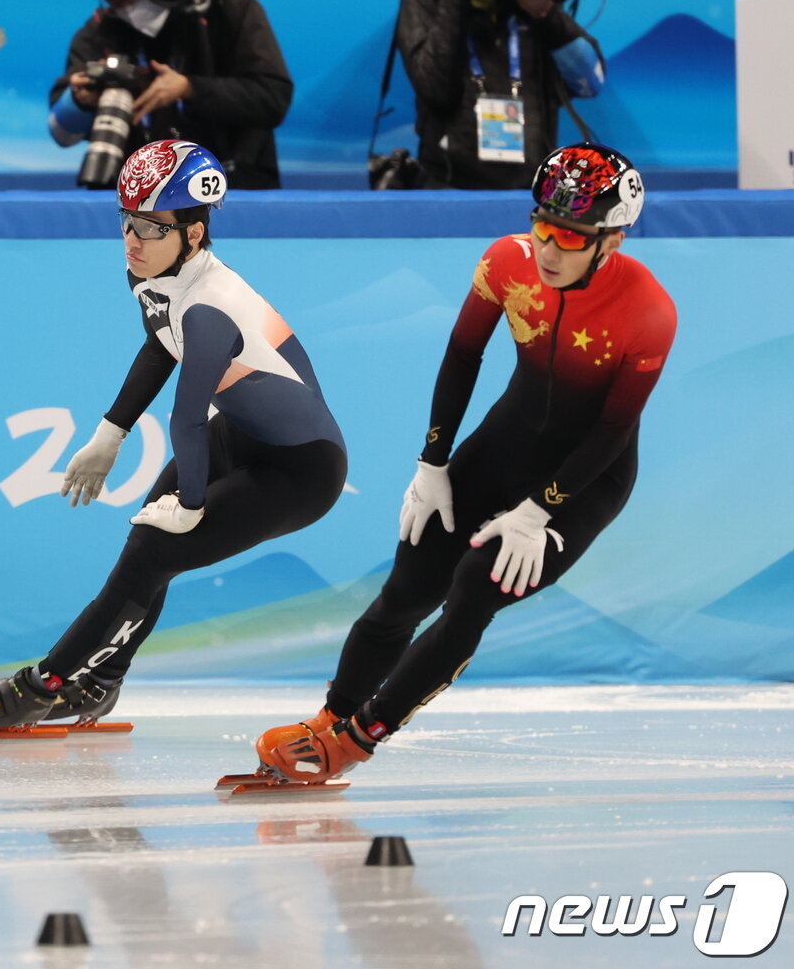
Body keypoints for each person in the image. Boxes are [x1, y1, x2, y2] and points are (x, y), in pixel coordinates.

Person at [254, 144, 676, 782]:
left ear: (611, 242)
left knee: (475, 588)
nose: (550, 250)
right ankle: (330, 718)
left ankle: (360, 739)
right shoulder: (506, 262)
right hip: (503, 447)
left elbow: (615, 427)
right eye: (542, 227)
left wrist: (539, 511)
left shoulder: (649, 310)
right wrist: (432, 463)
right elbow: (462, 357)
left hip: (586, 477)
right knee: (406, 589)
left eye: (569, 236)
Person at [0, 140, 347, 728]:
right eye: (127, 221)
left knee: (156, 547)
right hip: (241, 435)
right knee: (146, 543)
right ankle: (104, 678)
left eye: (152, 228)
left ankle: (45, 685)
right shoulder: (155, 272)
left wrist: (190, 505)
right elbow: (160, 344)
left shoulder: (210, 308)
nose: (132, 240)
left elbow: (186, 417)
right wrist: (109, 434)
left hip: (302, 472)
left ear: (193, 234)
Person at [47, 0, 293, 190]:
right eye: (113, 1)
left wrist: (190, 89)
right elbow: (61, 132)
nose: (125, 9)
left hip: (231, 185)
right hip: (139, 198)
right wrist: (80, 101)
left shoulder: (231, 8)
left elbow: (272, 98)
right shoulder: (99, 32)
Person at [397, 0, 606, 189]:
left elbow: (591, 83)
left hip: (532, 191)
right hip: (449, 189)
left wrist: (547, 15)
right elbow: (435, 89)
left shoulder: (530, 1)